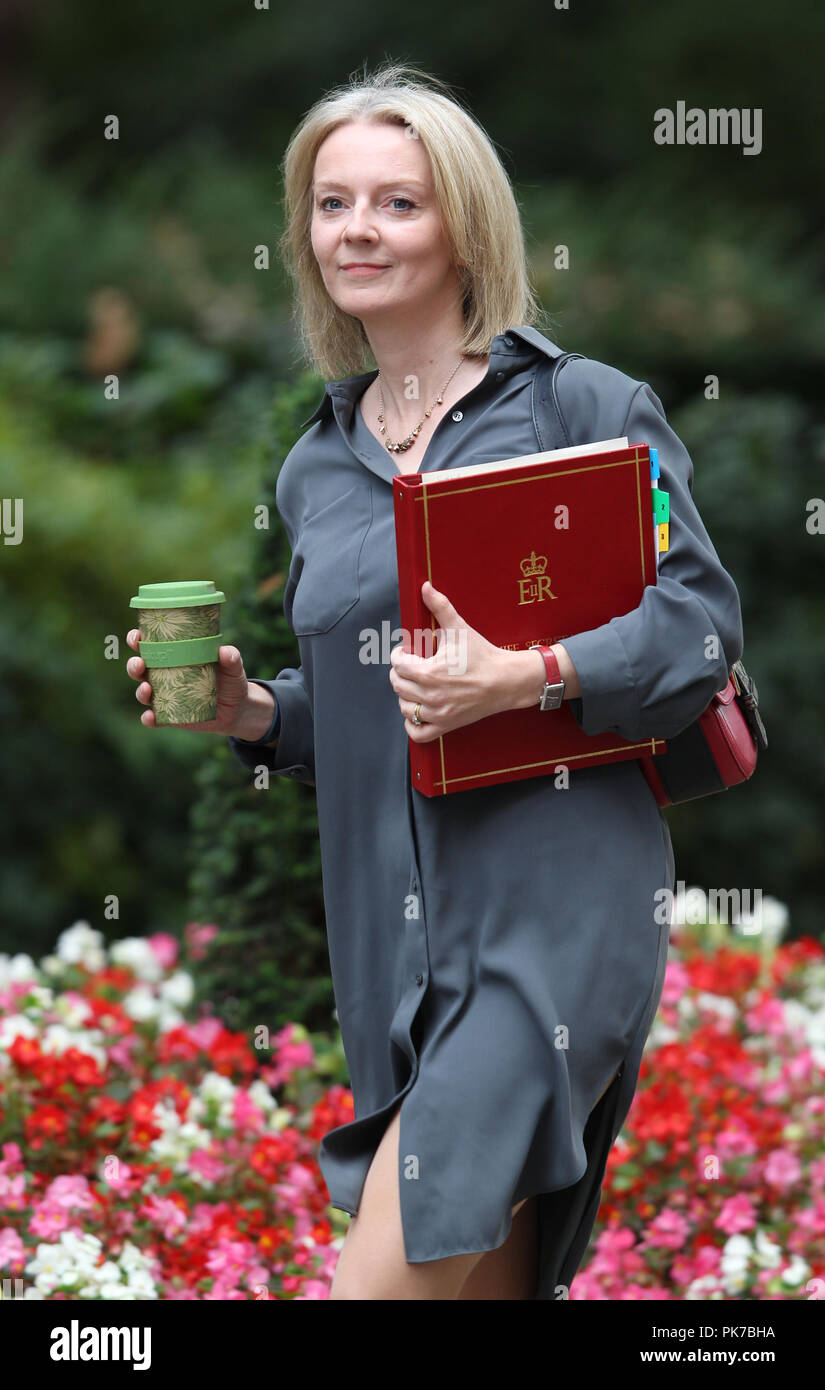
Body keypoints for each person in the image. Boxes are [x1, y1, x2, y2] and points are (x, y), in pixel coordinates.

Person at [125, 62, 744, 1300]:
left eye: (397, 203)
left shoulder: (587, 407)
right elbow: (374, 699)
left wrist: (530, 672)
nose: (357, 229)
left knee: (389, 1271)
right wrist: (259, 711)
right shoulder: (318, 458)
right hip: (393, 939)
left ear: (465, 225)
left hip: (558, 903)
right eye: (332, 202)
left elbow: (700, 626)